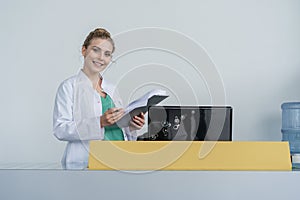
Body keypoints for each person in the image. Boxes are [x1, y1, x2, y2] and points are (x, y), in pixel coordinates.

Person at [53, 28, 145, 169]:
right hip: (86, 161)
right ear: (84, 50)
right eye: (96, 50)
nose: (101, 58)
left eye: (107, 54)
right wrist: (99, 122)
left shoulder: (112, 89)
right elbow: (60, 129)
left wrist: (131, 125)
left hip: (119, 158)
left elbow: (119, 128)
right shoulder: (69, 87)